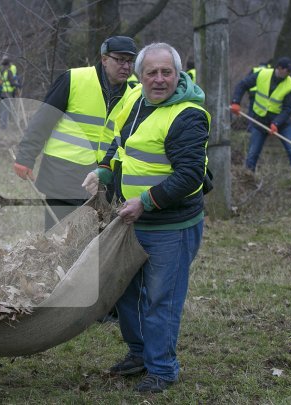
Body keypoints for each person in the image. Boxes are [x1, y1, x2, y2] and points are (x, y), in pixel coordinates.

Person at [82, 42, 210, 393]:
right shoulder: (137, 102)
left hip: (170, 225)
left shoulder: (188, 115)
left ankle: (162, 369)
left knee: (160, 299)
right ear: (140, 76)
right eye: (151, 72)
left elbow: (190, 176)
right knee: (126, 294)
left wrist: (146, 201)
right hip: (132, 220)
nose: (158, 79)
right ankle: (139, 354)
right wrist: (104, 172)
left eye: (166, 72)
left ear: (178, 74)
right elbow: (120, 143)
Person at [13, 35, 137, 230]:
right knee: (58, 239)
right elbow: (43, 119)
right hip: (63, 174)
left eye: (130, 61)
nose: (126, 66)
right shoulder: (74, 79)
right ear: (104, 59)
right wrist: (25, 157)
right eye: (120, 59)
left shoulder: (134, 93)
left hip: (104, 179)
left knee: (94, 242)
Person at [230, 57, 291, 191]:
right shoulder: (262, 74)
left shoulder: (290, 84)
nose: (289, 73)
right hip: (259, 121)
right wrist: (236, 102)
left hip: (281, 124)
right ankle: (247, 182)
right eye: (287, 70)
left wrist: (276, 123)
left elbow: (288, 108)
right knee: (253, 153)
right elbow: (242, 85)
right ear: (280, 69)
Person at [0, 54, 20, 130]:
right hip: (7, 93)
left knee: (1, 109)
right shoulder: (8, 71)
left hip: (0, 92)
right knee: (6, 110)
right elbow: (12, 82)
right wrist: (18, 85)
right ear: (9, 64)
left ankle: (1, 125)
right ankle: (4, 126)